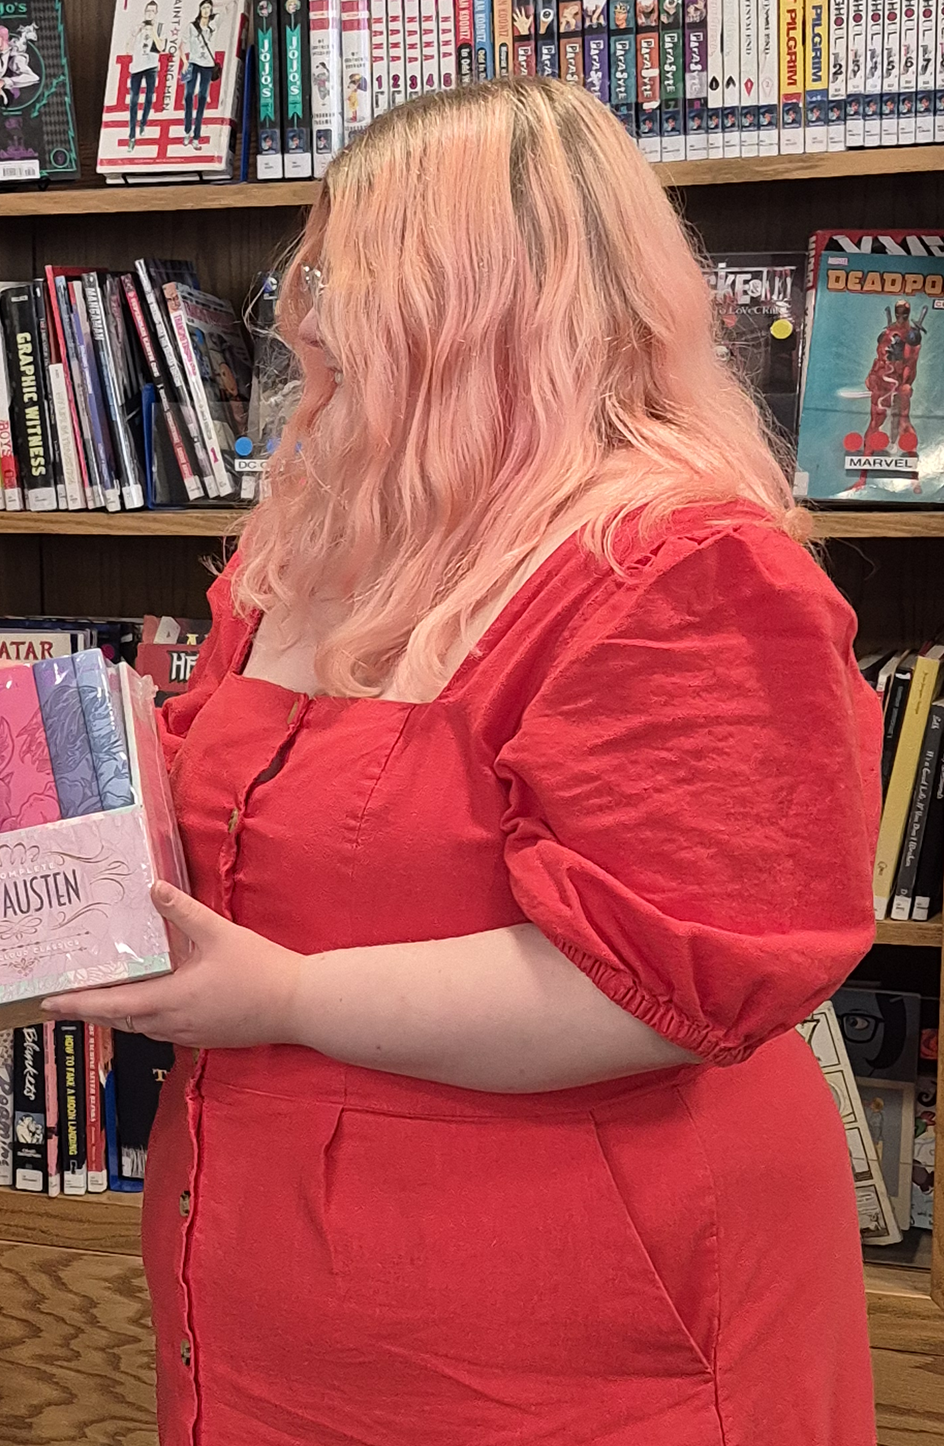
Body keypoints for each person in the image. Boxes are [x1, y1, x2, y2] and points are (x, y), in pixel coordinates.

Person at [47, 77, 878, 1446]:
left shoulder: (681, 567)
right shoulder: (322, 534)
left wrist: (288, 996)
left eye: (343, 274)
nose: (300, 313)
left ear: (477, 302)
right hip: (270, 1307)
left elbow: (665, 986)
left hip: (578, 1346)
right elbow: (230, 824)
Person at [124, 1, 166, 147]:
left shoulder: (159, 27)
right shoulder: (138, 27)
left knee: (149, 97)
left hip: (152, 66)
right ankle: (131, 135)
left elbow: (161, 47)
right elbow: (128, 49)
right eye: (148, 11)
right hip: (136, 67)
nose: (149, 14)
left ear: (156, 13)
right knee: (133, 101)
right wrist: (135, 34)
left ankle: (143, 124)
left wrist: (152, 30)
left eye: (152, 11)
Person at [179, 1, 220, 142]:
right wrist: (184, 61)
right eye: (204, 7)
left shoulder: (214, 23)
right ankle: (187, 131)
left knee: (202, 98)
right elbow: (182, 45)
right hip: (193, 63)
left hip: (208, 65)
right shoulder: (192, 26)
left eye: (209, 7)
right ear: (199, 9)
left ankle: (196, 135)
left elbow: (230, 6)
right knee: (188, 95)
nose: (206, 10)